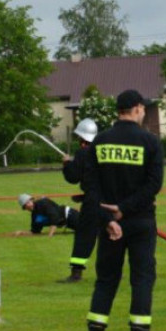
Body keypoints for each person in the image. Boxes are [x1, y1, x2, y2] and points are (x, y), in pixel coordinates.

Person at [81, 89, 164, 331]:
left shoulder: (100, 142)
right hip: (140, 220)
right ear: (138, 108)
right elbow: (154, 185)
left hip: (108, 225)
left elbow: (90, 187)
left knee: (106, 280)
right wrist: (124, 209)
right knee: (141, 279)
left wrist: (108, 218)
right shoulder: (150, 142)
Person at [60, 118, 100, 283]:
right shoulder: (103, 151)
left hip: (93, 203)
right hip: (110, 199)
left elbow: (73, 177)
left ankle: (76, 273)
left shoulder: (83, 153)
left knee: (84, 235)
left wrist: (67, 164)